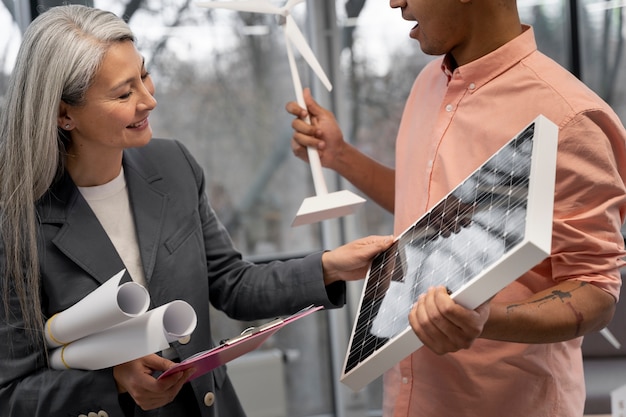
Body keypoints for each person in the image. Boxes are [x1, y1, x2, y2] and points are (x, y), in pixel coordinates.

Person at [0, 5, 393, 417]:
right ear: (65, 114)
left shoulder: (172, 166)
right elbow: (12, 393)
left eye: (144, 76)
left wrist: (330, 266)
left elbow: (231, 282)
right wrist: (112, 382)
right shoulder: (17, 223)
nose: (149, 99)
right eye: (124, 93)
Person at [286, 0, 626, 415]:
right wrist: (338, 155)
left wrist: (485, 318)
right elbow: (429, 210)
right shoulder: (429, 84)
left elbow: (595, 290)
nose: (395, 2)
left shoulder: (569, 117)